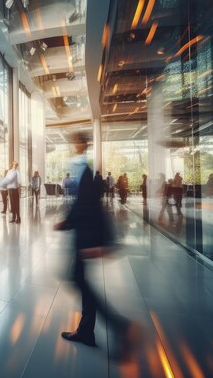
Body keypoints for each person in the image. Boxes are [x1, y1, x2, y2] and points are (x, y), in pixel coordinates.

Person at [55, 132, 134, 358]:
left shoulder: (85, 170)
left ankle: (119, 326)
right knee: (79, 280)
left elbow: (89, 205)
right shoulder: (83, 170)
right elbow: (82, 201)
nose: (74, 146)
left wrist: (87, 236)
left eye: (77, 142)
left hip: (85, 236)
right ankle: (86, 331)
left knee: (78, 280)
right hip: (81, 233)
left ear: (83, 145)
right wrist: (67, 220)